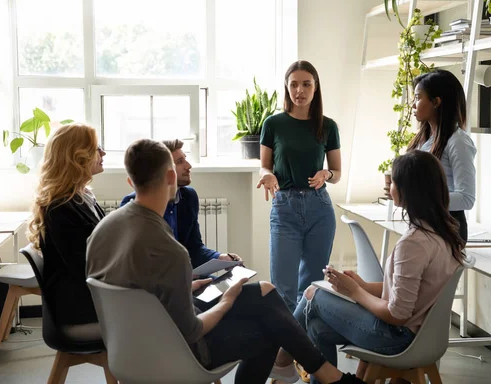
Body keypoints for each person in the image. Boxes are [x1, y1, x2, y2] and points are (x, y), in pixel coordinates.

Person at [86, 139, 364, 384]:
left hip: (127, 350)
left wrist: (187, 286)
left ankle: (327, 374)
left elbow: (139, 291)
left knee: (264, 292)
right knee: (267, 329)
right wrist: (227, 301)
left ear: (130, 182)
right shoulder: (169, 250)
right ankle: (328, 376)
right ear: (171, 176)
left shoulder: (101, 231)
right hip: (170, 353)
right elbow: (193, 330)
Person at [280, 151, 465, 384]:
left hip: (399, 339)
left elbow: (398, 314)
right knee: (316, 327)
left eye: (394, 181)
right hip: (419, 337)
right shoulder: (443, 233)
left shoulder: (414, 243)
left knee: (313, 294)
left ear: (410, 190)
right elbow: (409, 292)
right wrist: (364, 286)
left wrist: (355, 292)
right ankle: (285, 362)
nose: (389, 185)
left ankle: (281, 361)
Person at [258, 60, 341, 312]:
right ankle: (285, 349)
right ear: (287, 87)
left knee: (311, 288)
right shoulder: (273, 124)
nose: (300, 91)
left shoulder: (328, 126)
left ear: (315, 88)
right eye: (294, 84)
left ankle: (303, 347)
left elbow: (337, 173)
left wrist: (326, 173)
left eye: (306, 84)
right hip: (285, 208)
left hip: (320, 209)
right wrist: (268, 176)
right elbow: (265, 166)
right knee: (282, 289)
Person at [27, 123, 106, 337]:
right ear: (77, 156)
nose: (103, 153)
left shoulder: (82, 196)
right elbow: (88, 267)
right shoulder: (60, 207)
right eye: (97, 148)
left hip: (91, 298)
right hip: (81, 310)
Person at [120, 139, 241, 268]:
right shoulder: (134, 204)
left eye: (185, 159)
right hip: (164, 284)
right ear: (165, 171)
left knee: (261, 286)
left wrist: (220, 258)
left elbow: (194, 248)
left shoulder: (189, 197)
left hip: (187, 278)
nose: (188, 166)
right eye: (179, 162)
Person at [407, 69, 477, 242]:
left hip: (447, 229)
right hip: (425, 225)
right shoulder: (425, 139)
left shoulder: (458, 142)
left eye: (417, 97)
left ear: (436, 102)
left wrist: (420, 198)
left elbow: (466, 198)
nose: (413, 105)